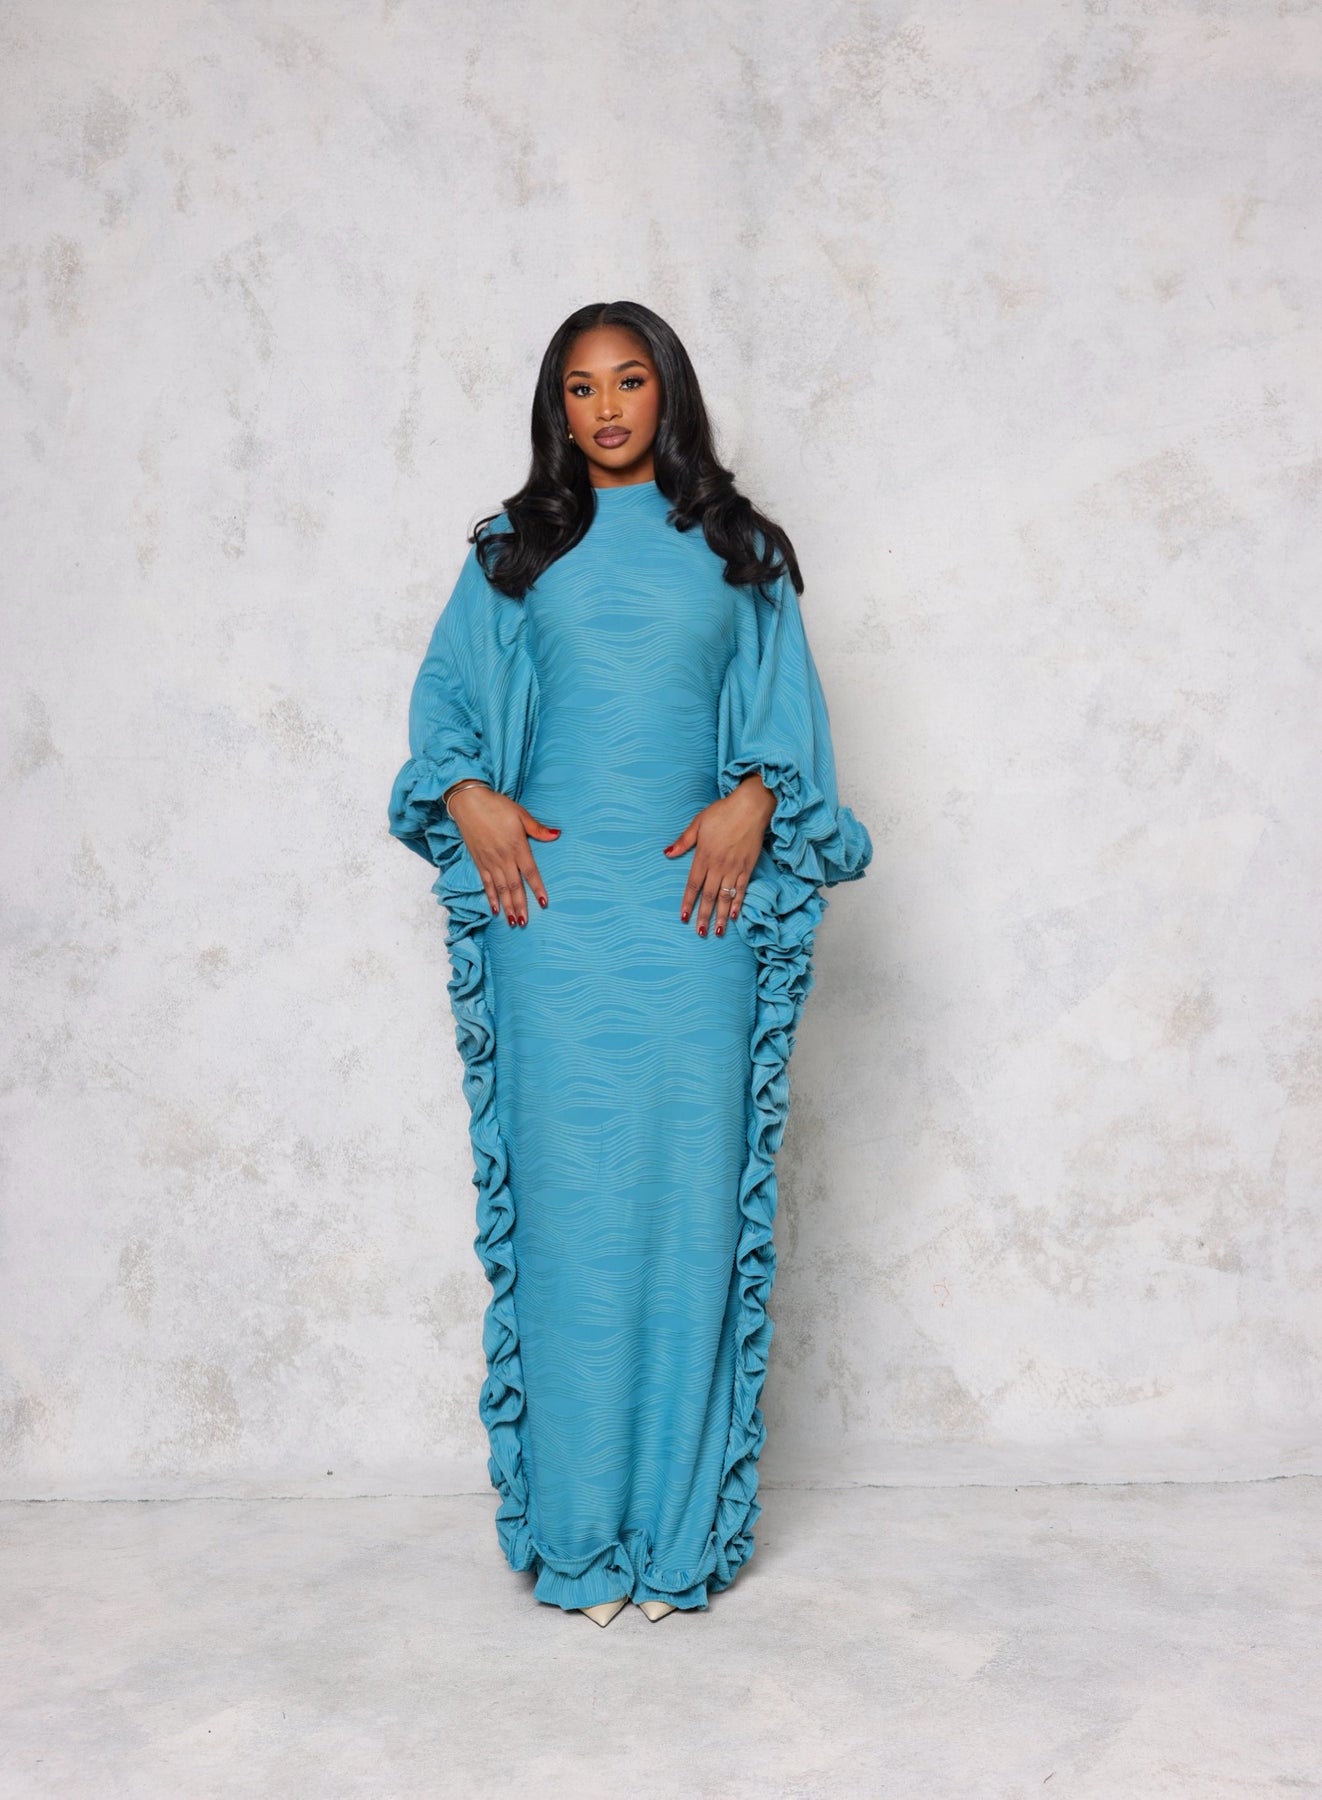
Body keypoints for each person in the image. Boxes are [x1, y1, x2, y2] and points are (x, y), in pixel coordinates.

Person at [388, 299, 873, 1626]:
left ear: (670, 394)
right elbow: (444, 713)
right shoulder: (513, 552)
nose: (606, 407)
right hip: (550, 922)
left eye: (630, 380)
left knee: (688, 1205)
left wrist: (753, 801)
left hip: (697, 922)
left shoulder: (738, 549)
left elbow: (789, 717)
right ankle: (580, 1538)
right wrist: (470, 798)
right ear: (557, 408)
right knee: (570, 1219)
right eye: (581, 387)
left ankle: (673, 1536)